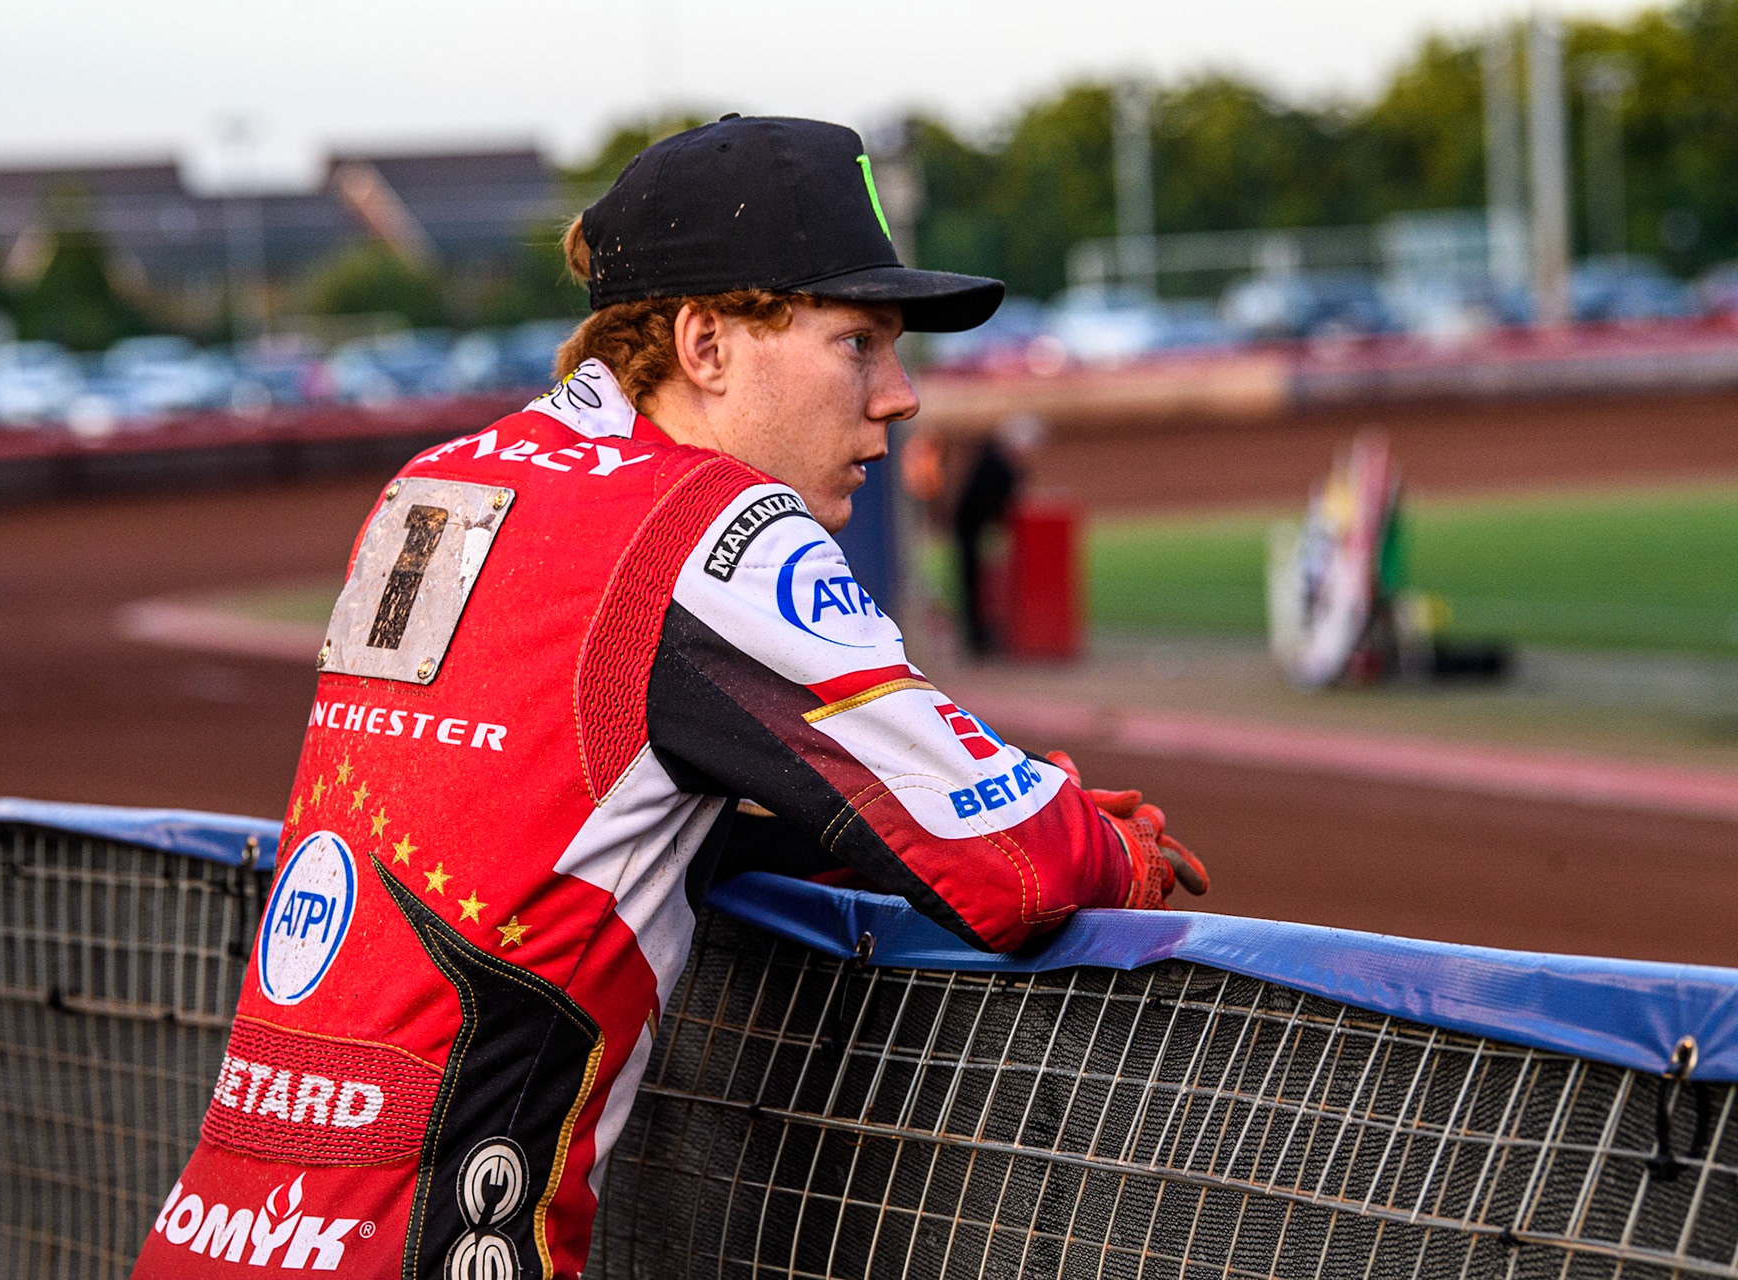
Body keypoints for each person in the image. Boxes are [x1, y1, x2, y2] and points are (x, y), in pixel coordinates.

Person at [132, 116, 1206, 1280]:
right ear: (705, 342)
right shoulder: (711, 526)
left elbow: (550, 822)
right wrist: (1109, 844)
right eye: (858, 341)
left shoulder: (440, 481)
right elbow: (1019, 863)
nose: (898, 396)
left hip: (206, 1236)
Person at [952, 411, 1044, 657]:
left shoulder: (993, 459)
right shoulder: (998, 465)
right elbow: (1001, 504)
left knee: (976, 585)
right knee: (974, 585)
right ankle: (978, 641)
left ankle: (980, 639)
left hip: (975, 529)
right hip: (973, 530)